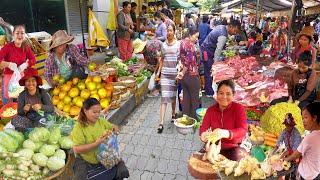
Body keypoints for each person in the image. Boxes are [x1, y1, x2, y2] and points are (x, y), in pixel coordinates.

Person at [71, 98, 129, 180]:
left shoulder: (101, 121)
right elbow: (76, 149)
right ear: (85, 111)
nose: (97, 115)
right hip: (89, 161)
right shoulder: (79, 128)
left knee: (121, 170)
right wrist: (96, 144)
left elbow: (112, 126)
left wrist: (115, 128)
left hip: (105, 157)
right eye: (94, 112)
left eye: (99, 111)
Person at [199, 80, 248, 161]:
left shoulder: (238, 109)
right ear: (217, 94)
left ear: (233, 95)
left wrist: (225, 133)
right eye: (221, 93)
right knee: (200, 164)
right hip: (213, 146)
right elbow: (203, 128)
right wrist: (203, 135)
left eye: (228, 94)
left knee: (241, 162)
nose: (224, 97)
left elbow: (243, 130)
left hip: (233, 147)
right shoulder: (211, 110)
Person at [201, 20, 241, 96]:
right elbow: (218, 50)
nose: (235, 33)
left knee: (209, 71)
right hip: (207, 51)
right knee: (209, 71)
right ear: (231, 26)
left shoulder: (222, 27)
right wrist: (216, 64)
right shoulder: (223, 34)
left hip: (207, 49)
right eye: (235, 31)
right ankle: (209, 92)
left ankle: (208, 89)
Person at [0, 24, 36, 104]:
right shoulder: (7, 47)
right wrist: (8, 64)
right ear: (13, 34)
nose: (20, 35)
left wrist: (26, 64)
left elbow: (33, 59)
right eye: (17, 33)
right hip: (9, 78)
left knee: (22, 99)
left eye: (22, 33)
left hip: (21, 76)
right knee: (8, 100)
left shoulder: (26, 47)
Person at [284, 102, 320, 180]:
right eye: (302, 118)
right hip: (316, 172)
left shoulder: (310, 137)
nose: (303, 121)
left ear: (314, 118)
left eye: (306, 117)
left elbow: (295, 155)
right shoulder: (315, 135)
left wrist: (284, 160)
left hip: (306, 175)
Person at [157, 24, 180, 133]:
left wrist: (179, 72)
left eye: (171, 30)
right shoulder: (163, 45)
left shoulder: (178, 45)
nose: (169, 32)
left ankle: (173, 113)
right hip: (165, 74)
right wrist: (158, 72)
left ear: (174, 32)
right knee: (164, 97)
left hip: (174, 74)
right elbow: (161, 58)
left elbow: (180, 60)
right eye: (167, 30)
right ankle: (161, 123)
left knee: (173, 96)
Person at [177, 26, 200, 119]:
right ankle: (193, 119)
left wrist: (181, 72)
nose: (197, 39)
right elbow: (188, 61)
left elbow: (180, 58)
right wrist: (182, 72)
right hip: (192, 75)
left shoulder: (182, 42)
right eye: (196, 36)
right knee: (194, 98)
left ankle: (185, 117)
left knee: (186, 97)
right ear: (190, 35)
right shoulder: (190, 45)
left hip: (185, 77)